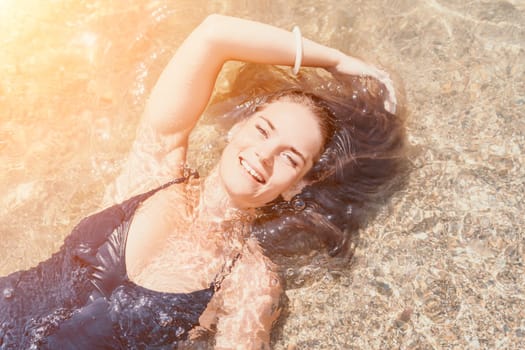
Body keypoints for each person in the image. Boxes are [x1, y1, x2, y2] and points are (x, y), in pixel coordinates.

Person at [0, 14, 405, 349]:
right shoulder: (154, 170)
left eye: (290, 157)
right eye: (264, 130)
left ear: (297, 184)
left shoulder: (248, 280)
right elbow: (213, 35)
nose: (265, 155)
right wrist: (338, 61)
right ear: (238, 127)